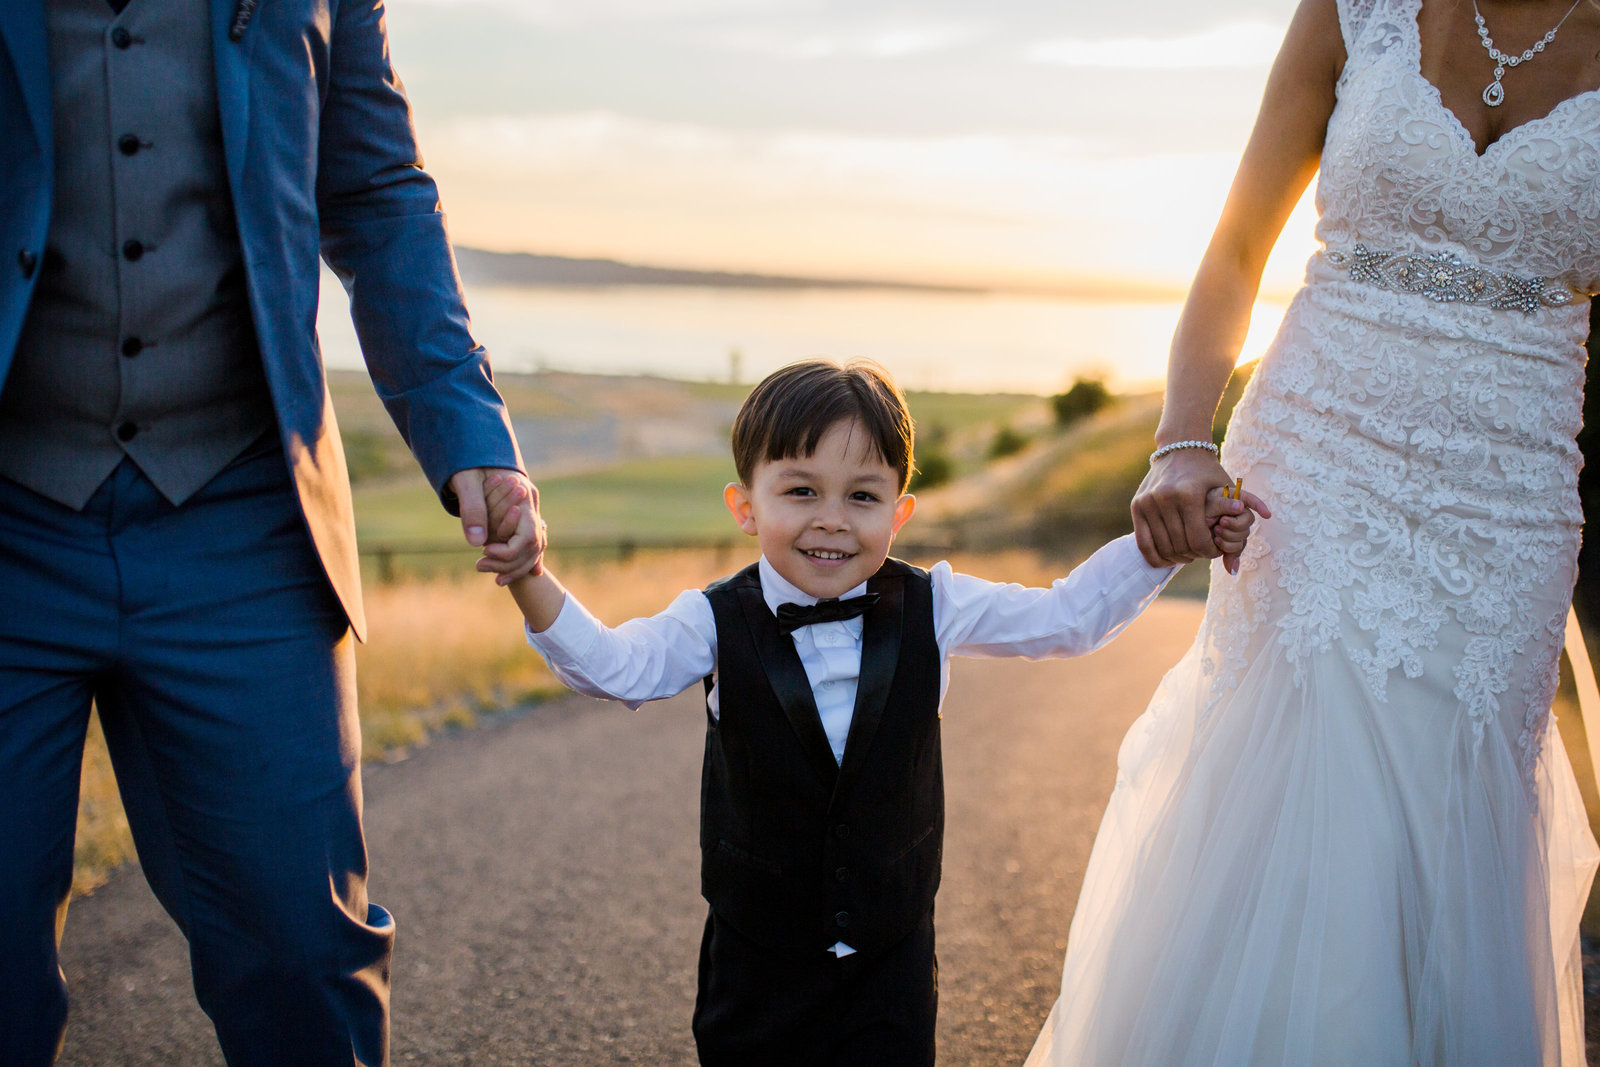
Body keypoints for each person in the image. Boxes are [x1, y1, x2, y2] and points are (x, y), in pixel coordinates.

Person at [1027, 0, 1600, 1063]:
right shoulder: (1357, 9)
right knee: (1317, 794)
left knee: (1448, 811)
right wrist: (1179, 441)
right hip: (1314, 459)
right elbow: (1240, 239)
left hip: (1506, 500)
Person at [0, 1, 545, 1063]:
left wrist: (466, 427)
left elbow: (379, 195)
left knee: (302, 958)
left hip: (245, 517)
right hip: (10, 517)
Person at [483, 357, 1255, 1066]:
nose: (832, 519)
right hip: (757, 969)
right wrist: (530, 577)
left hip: (892, 963)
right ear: (744, 506)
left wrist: (1163, 545)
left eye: (862, 496)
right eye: (800, 490)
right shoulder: (711, 620)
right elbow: (618, 668)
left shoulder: (937, 602)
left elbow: (1067, 617)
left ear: (901, 511)